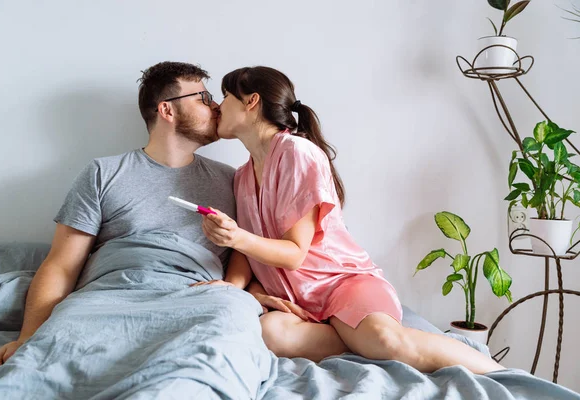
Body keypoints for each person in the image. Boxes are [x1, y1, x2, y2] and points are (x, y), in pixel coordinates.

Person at [195, 66, 505, 374]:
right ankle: (355, 339)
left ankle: (499, 373)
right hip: (300, 302)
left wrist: (235, 236)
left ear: (251, 101)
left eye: (224, 96)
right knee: (271, 334)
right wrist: (232, 287)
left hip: (343, 284)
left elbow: (293, 254)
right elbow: (247, 251)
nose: (218, 107)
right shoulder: (242, 177)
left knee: (386, 341)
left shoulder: (296, 154)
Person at [0, 61, 245, 379]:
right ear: (167, 110)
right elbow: (62, 265)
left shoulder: (234, 181)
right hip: (110, 297)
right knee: (47, 366)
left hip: (197, 301)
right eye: (203, 97)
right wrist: (26, 338)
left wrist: (236, 290)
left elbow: (251, 253)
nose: (216, 106)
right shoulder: (104, 174)